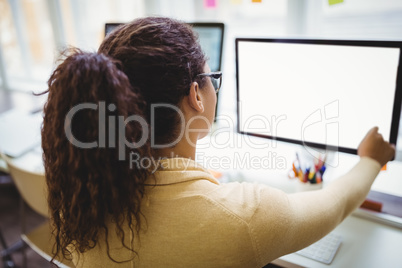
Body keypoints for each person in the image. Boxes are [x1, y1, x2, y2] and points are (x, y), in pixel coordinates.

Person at [41, 17, 395, 268]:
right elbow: (333, 204)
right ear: (196, 93)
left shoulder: (81, 196)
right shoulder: (241, 216)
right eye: (212, 78)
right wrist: (370, 160)